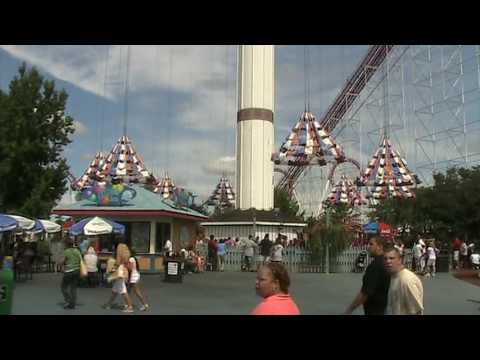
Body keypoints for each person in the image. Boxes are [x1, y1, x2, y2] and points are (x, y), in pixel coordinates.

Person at [344, 236, 390, 315]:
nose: (368, 247)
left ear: (380, 247)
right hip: (384, 307)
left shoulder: (375, 266)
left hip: (375, 310)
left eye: (371, 244)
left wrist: (350, 309)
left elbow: (365, 293)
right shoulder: (386, 262)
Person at [384, 246, 424, 315]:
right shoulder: (394, 276)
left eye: (392, 258)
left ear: (400, 260)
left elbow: (416, 311)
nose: (388, 261)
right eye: (385, 259)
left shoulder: (406, 280)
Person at [103, 244, 134, 313]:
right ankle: (109, 304)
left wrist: (112, 271)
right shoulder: (126, 252)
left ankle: (130, 306)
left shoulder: (119, 252)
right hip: (121, 270)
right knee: (115, 291)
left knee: (123, 291)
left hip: (119, 271)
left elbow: (117, 263)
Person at [61, 238, 82, 310]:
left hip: (69, 271)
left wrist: (60, 263)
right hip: (76, 270)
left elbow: (62, 261)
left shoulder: (66, 251)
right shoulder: (77, 251)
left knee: (63, 287)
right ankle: (72, 303)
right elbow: (80, 260)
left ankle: (69, 301)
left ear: (66, 244)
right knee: (73, 288)